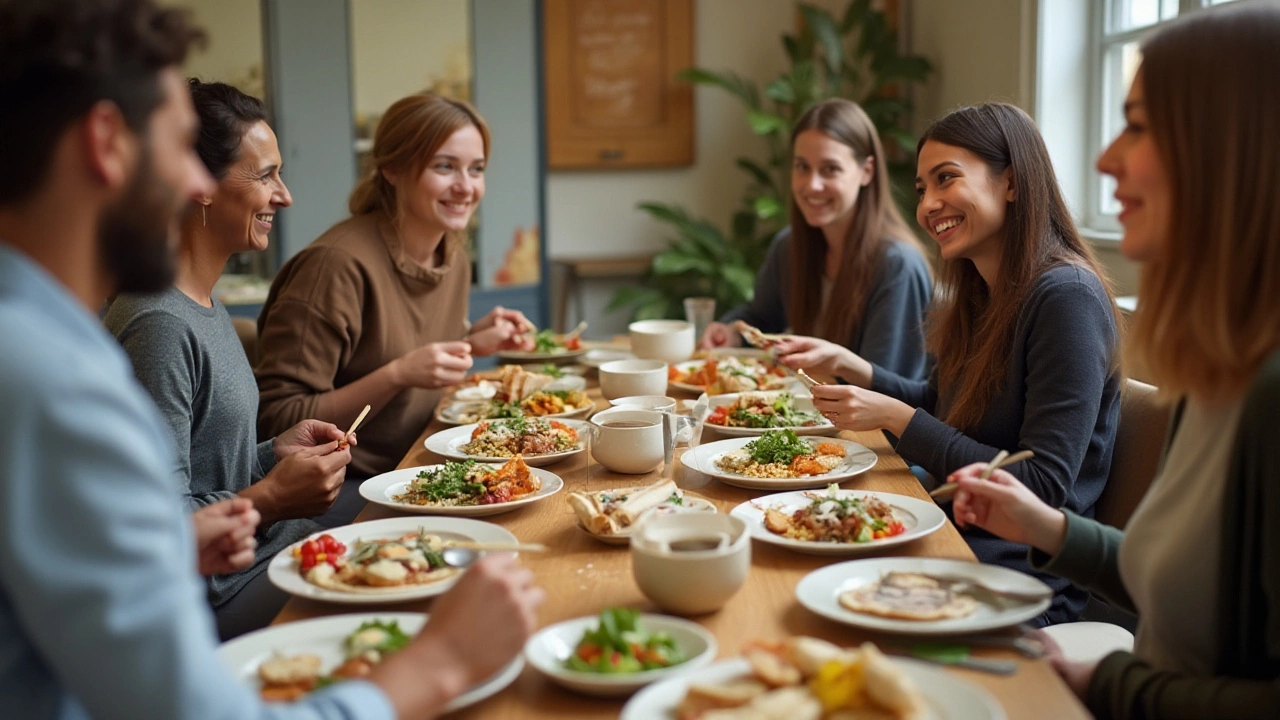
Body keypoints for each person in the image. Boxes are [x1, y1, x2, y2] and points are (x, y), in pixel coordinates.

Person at [0, 2, 543, 718]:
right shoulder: (55, 383)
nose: (196, 185)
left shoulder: (50, 346)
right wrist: (438, 663)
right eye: (178, 149)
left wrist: (261, 463)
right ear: (107, 142)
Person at [944, 4, 1280, 717]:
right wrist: (1047, 529)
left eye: (1140, 124)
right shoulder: (1214, 377)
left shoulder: (1268, 396)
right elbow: (1183, 582)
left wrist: (1107, 685)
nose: (1104, 160)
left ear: (1237, 146)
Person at [778, 103, 1122, 625]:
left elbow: (1043, 485)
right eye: (921, 189)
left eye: (946, 180)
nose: (929, 204)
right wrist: (855, 368)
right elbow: (941, 404)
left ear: (1012, 181)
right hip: (950, 535)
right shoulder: (981, 293)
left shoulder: (1065, 297)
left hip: (1020, 578)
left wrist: (896, 418)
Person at [103, 80, 354, 640]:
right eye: (264, 175)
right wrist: (271, 496)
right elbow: (164, 525)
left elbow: (203, 472)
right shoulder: (159, 323)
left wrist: (270, 456)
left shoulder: (203, 305)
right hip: (222, 594)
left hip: (263, 555)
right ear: (200, 185)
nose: (284, 196)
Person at [255, 92, 532, 480]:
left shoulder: (449, 255)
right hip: (348, 489)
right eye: (445, 166)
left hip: (426, 465)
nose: (466, 187)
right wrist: (397, 374)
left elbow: (398, 348)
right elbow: (276, 422)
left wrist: (470, 340)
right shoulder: (334, 265)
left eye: (476, 169)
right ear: (391, 169)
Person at [700, 98, 932, 381]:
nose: (812, 185)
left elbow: (888, 386)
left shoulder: (898, 265)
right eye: (802, 167)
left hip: (864, 424)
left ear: (866, 171)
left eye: (830, 169)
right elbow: (761, 320)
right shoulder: (789, 245)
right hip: (807, 412)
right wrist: (731, 333)